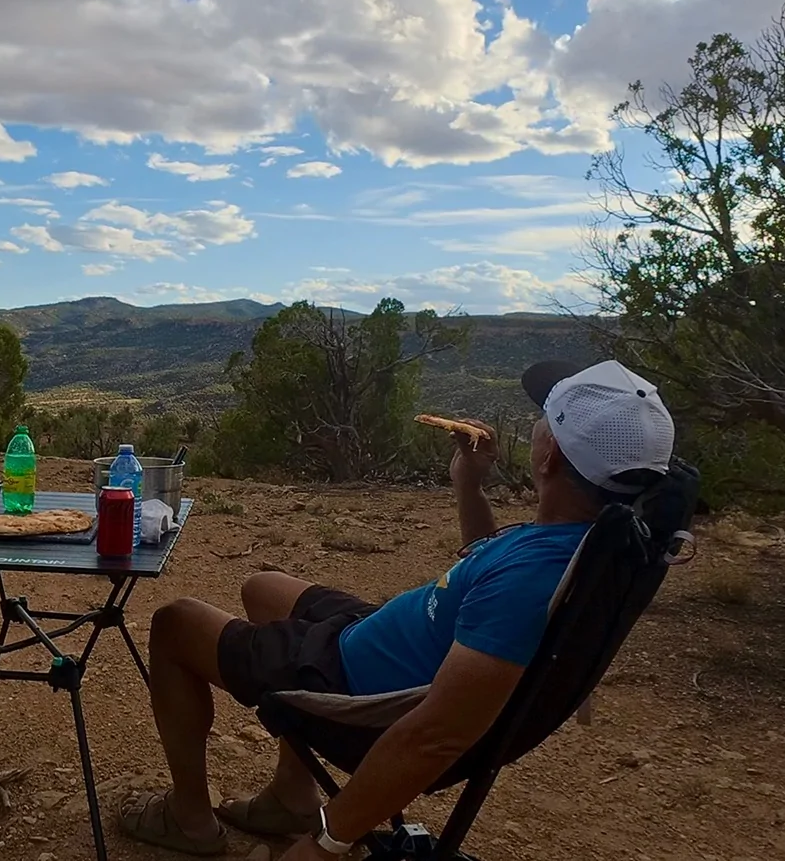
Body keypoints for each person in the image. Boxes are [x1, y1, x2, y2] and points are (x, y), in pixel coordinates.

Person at [120, 360, 676, 859]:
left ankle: (189, 818)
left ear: (550, 455)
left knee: (175, 623)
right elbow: (480, 576)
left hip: (358, 689)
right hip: (384, 642)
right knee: (264, 588)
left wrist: (326, 843)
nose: (532, 426)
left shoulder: (528, 581)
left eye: (542, 418)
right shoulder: (578, 538)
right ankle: (290, 795)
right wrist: (468, 484)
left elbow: (437, 734)